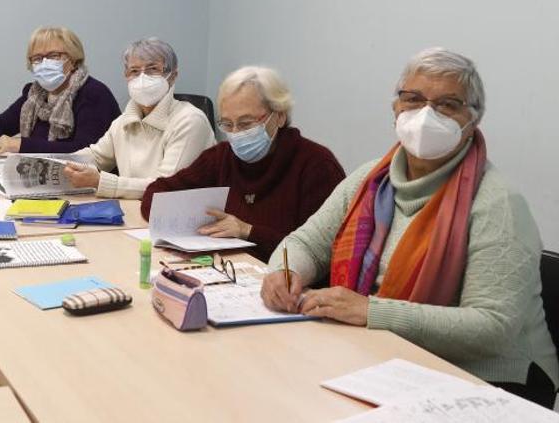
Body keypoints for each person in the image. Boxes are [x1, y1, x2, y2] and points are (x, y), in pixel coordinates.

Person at [260, 48, 558, 408]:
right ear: (395, 108)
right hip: (388, 352)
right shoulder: (371, 179)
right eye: (413, 99)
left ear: (472, 119)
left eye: (448, 104)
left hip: (491, 377)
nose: (426, 114)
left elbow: (492, 326)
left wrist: (371, 312)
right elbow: (307, 241)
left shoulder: (498, 204)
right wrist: (284, 271)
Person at [140, 66, 345, 260]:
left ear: (280, 116)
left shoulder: (317, 166)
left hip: (290, 286)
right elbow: (155, 194)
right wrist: (193, 224)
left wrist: (248, 231)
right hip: (229, 271)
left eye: (246, 123)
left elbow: (322, 255)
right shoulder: (221, 157)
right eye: (227, 124)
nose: (236, 134)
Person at [63, 38, 215, 199]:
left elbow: (167, 187)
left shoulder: (190, 120)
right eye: (134, 71)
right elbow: (97, 156)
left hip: (181, 216)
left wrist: (101, 182)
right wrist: (58, 163)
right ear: (126, 76)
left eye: (153, 69)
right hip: (134, 212)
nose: (142, 78)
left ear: (173, 76)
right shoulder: (123, 122)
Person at [0, 26, 120, 156]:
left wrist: (21, 145)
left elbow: (84, 150)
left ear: (73, 60)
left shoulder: (93, 93)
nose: (45, 63)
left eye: (53, 56)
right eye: (37, 58)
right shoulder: (35, 95)